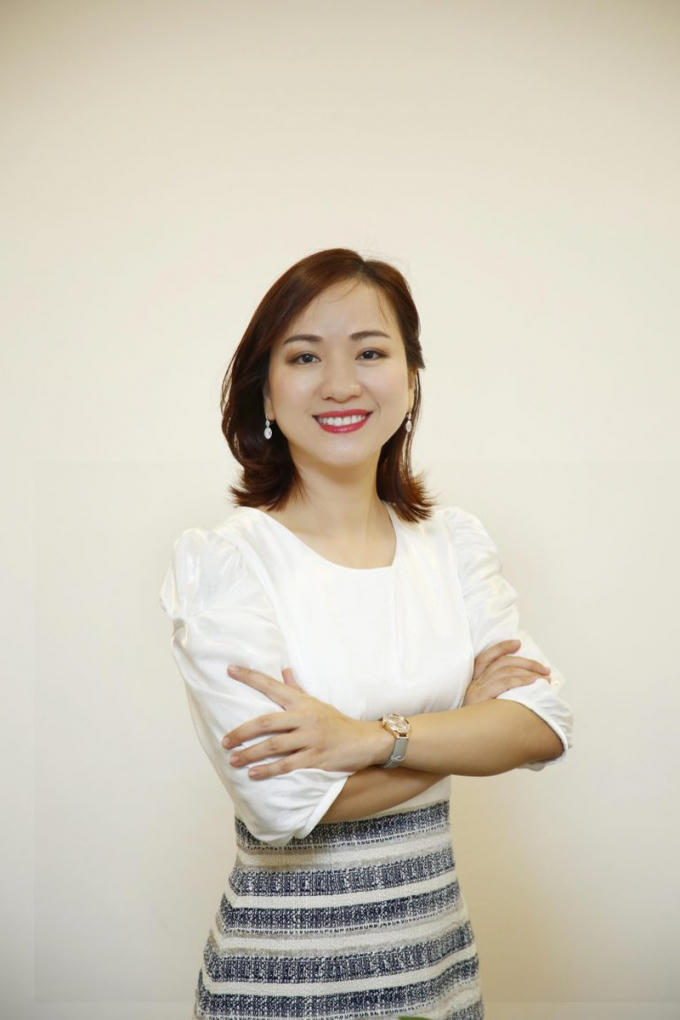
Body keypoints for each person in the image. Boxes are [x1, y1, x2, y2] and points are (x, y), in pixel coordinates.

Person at [159, 247, 573, 1020]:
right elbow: (282, 806)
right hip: (283, 989)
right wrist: (464, 727)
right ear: (265, 392)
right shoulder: (228, 564)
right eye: (304, 356)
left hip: (441, 975)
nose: (341, 383)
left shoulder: (453, 545)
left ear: (410, 379)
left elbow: (543, 725)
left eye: (371, 352)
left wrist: (365, 740)